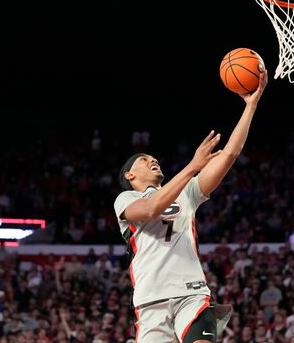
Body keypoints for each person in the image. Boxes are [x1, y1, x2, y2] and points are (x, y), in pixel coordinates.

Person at [114, 72, 267, 343]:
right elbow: (150, 209)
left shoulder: (187, 191)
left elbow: (230, 154)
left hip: (191, 293)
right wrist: (193, 166)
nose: (153, 160)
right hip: (151, 300)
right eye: (144, 159)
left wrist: (251, 105)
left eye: (154, 157)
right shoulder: (125, 200)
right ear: (129, 176)